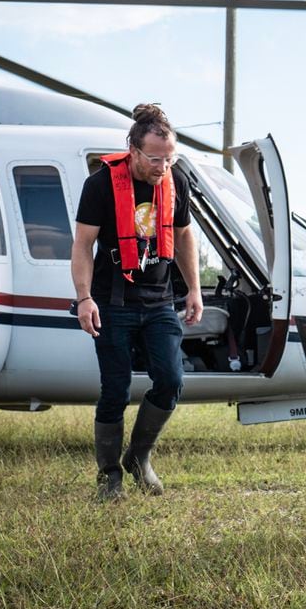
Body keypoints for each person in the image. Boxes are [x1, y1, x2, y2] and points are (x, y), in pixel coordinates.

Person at [71, 103, 203, 501]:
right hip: (113, 301)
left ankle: (138, 457)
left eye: (169, 158)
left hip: (159, 299)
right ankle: (109, 474)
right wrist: (84, 298)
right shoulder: (100, 184)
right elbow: (82, 245)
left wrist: (194, 288)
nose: (163, 166)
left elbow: (182, 236)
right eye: (154, 159)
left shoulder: (175, 180)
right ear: (132, 149)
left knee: (171, 380)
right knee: (115, 388)